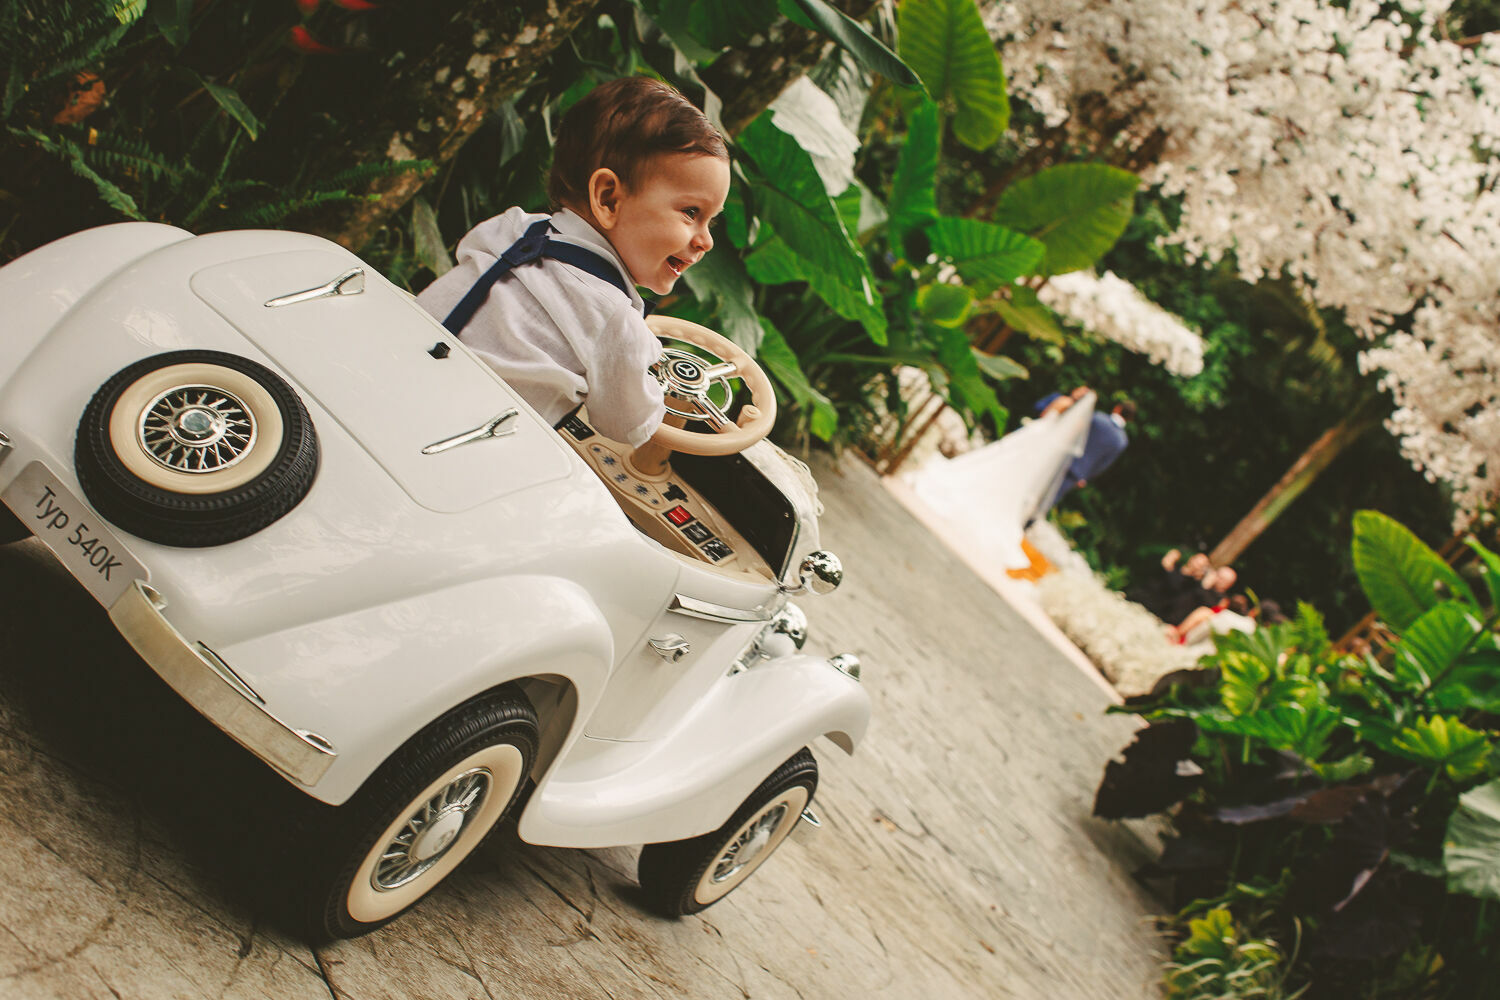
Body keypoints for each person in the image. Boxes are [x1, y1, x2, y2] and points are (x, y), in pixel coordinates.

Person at [416, 76, 731, 447]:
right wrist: (653, 375)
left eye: (711, 220)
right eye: (691, 212)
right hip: (458, 443)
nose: (706, 241)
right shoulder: (614, 320)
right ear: (609, 198)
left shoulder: (514, 227)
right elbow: (629, 427)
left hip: (406, 369)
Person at [1040, 397, 1136, 511]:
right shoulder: (1122, 441)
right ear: (1129, 419)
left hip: (1065, 457)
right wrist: (1086, 477)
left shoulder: (1098, 418)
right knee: (1054, 495)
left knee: (1042, 485)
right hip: (1079, 471)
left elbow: (1075, 433)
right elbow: (1104, 464)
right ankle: (1031, 520)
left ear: (1118, 408)